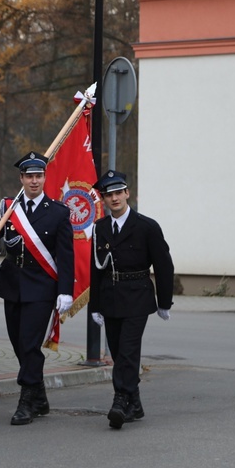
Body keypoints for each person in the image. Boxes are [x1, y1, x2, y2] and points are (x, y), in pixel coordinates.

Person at [0, 151, 74, 425]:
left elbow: (65, 255)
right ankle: (39, 395)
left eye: (39, 175)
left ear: (44, 177)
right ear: (21, 178)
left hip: (41, 286)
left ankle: (26, 400)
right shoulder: (9, 207)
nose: (34, 181)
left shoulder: (59, 213)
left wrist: (65, 290)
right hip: (12, 283)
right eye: (29, 176)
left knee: (29, 344)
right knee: (18, 344)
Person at [88, 170, 174, 430]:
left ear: (127, 193)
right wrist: (95, 305)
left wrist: (164, 302)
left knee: (127, 351)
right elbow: (95, 269)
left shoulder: (146, 226)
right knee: (117, 351)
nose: (114, 198)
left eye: (118, 192)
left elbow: (163, 265)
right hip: (110, 297)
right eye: (108, 194)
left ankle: (120, 400)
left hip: (137, 296)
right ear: (103, 199)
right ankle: (135, 404)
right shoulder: (100, 228)